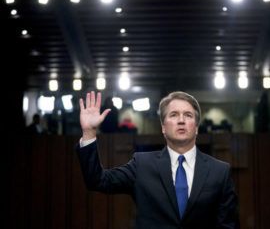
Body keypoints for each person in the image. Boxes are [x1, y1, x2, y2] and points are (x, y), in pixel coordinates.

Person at [76, 91, 239, 228]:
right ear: (163, 127)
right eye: (174, 115)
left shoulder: (220, 171)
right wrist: (89, 132)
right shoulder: (142, 165)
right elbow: (97, 180)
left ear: (196, 127)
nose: (181, 120)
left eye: (188, 115)